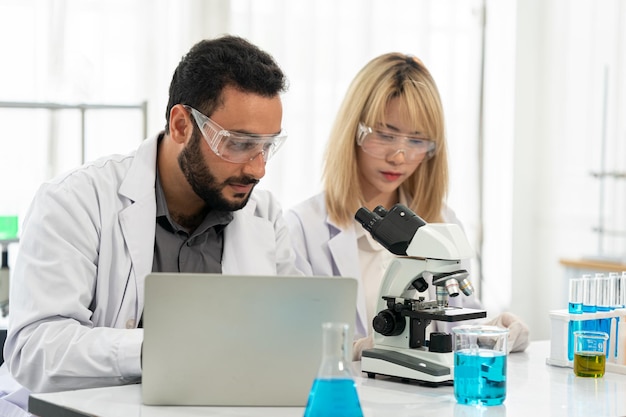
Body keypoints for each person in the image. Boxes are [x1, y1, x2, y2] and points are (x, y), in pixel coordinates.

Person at [0, 34, 301, 414]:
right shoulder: (75, 201)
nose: (258, 168)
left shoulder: (265, 215)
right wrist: (160, 349)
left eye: (266, 146)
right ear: (181, 125)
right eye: (238, 144)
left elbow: (294, 336)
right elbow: (36, 349)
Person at [285, 53, 529, 360]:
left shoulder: (442, 222)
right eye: (385, 135)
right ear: (353, 132)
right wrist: (355, 351)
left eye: (416, 141)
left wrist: (495, 330)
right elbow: (291, 344)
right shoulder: (301, 229)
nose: (398, 157)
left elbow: (456, 317)